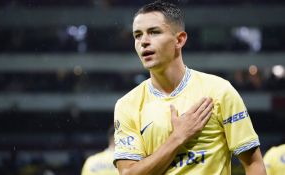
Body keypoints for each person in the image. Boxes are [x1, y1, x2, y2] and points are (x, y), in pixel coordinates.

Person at [113, 1, 267, 175]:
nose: (144, 42)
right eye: (137, 35)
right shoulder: (127, 104)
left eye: (154, 32)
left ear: (179, 40)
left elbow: (254, 165)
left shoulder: (219, 91)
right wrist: (178, 137)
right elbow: (128, 173)